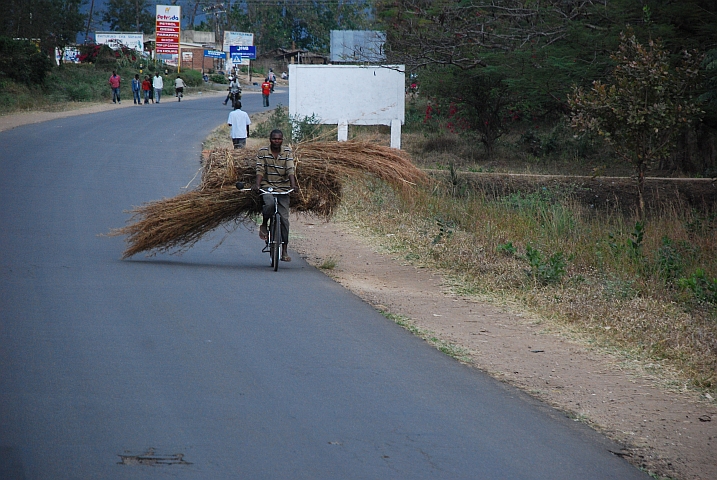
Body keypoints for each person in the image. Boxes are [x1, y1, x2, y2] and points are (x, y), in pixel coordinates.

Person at [254, 129, 297, 262]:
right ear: (270, 139)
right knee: (269, 204)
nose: (276, 141)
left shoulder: (287, 152)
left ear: (282, 140)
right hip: (268, 186)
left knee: (284, 220)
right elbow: (260, 169)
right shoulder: (263, 152)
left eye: (279, 139)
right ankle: (265, 224)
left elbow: (290, 168)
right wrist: (257, 184)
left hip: (283, 188)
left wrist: (293, 185)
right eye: (274, 139)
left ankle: (284, 250)